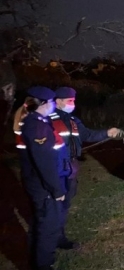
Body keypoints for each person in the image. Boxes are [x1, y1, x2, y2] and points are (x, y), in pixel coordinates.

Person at [52, 86, 121, 249]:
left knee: (65, 203)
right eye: (69, 101)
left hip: (70, 168)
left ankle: (59, 236)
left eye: (74, 101)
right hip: (55, 169)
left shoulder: (73, 121)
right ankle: (48, 238)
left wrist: (107, 133)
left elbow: (88, 135)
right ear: (58, 101)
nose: (72, 104)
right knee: (52, 205)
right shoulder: (48, 120)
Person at [15, 86, 69, 270]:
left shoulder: (34, 121)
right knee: (48, 227)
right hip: (43, 186)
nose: (54, 104)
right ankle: (44, 264)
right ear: (44, 104)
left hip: (36, 182)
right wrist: (57, 189)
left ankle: (35, 260)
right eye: (53, 101)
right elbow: (45, 163)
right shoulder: (37, 126)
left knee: (40, 223)